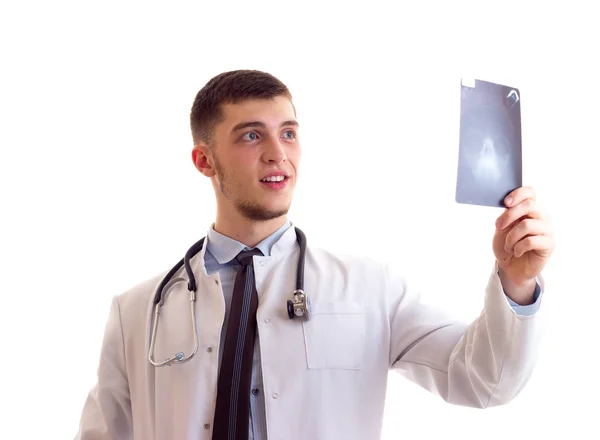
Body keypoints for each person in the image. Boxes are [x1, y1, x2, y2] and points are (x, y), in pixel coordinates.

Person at [75, 70, 555, 440]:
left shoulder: (369, 289)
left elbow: (483, 379)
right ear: (204, 160)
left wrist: (516, 284)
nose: (277, 154)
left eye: (288, 133)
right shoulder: (138, 310)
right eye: (250, 135)